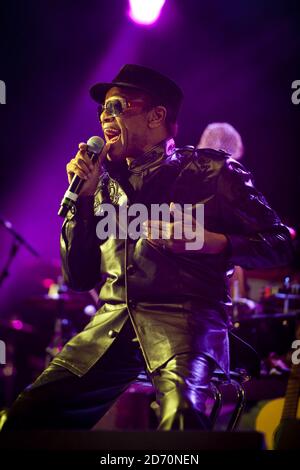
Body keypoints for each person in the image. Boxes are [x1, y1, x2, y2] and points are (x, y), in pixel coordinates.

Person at [1, 64, 293, 432]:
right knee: (24, 417)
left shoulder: (213, 172)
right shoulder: (102, 186)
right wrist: (83, 205)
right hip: (112, 324)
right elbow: (79, 278)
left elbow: (282, 245)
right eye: (102, 110)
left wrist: (212, 242)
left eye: (118, 106)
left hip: (186, 321)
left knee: (181, 416)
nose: (106, 117)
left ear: (157, 116)